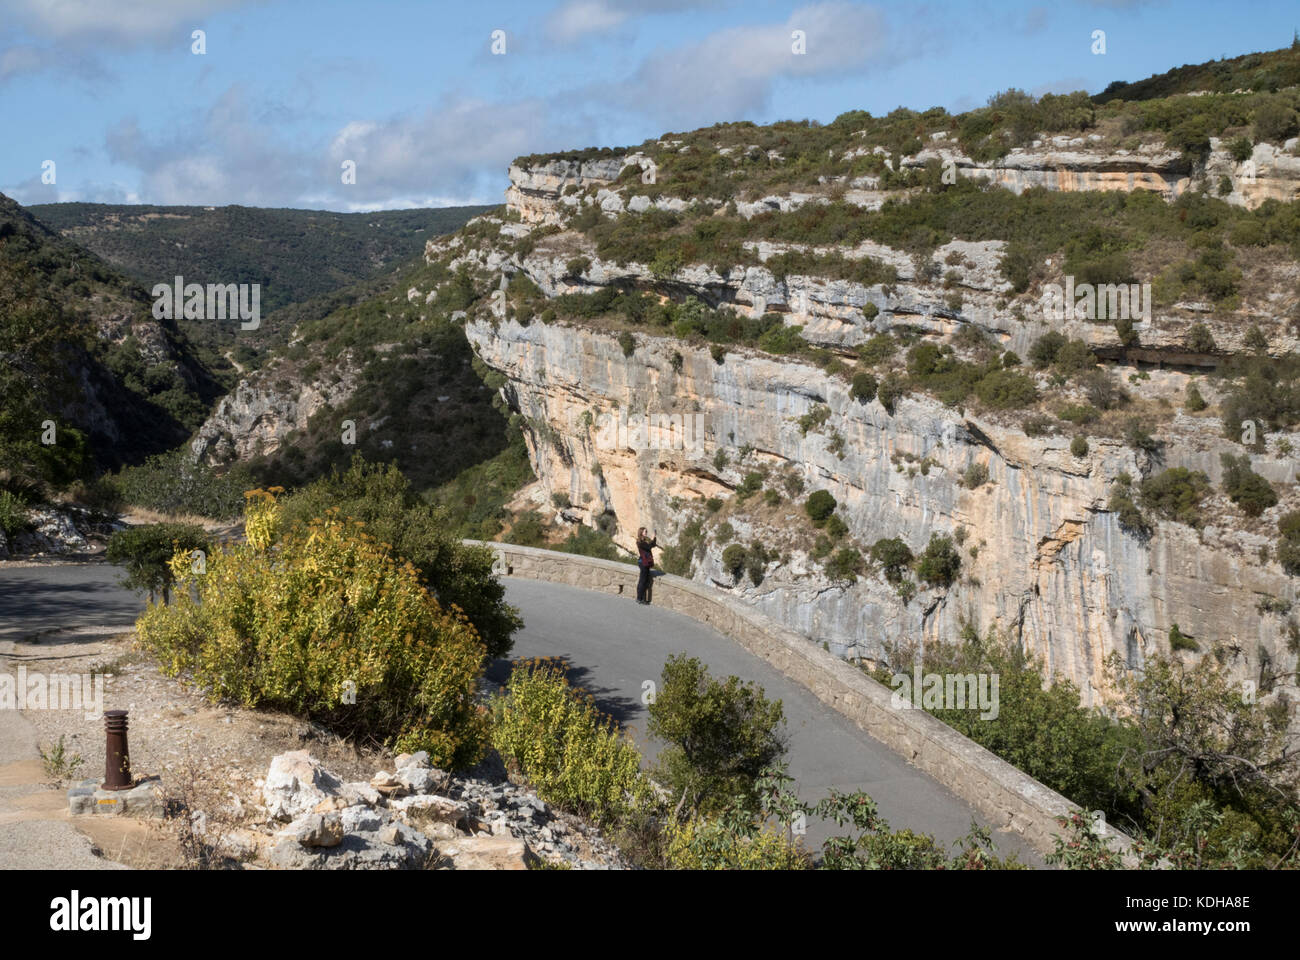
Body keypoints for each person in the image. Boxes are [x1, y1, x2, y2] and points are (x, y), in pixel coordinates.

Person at [635, 527, 657, 605]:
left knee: (645, 581)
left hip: (646, 562)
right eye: (645, 531)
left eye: (646, 531)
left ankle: (643, 599)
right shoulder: (640, 542)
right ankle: (639, 598)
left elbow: (653, 545)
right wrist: (651, 540)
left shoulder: (645, 540)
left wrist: (654, 537)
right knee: (642, 581)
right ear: (641, 532)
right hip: (643, 563)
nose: (646, 532)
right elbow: (648, 547)